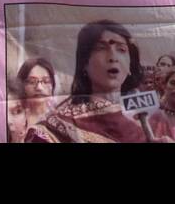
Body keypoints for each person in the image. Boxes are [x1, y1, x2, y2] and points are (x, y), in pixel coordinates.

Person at [27, 21, 158, 143]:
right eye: (101, 48)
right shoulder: (57, 126)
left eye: (121, 50)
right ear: (84, 62)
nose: (113, 57)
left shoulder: (155, 122)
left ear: (130, 64)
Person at [7, 58, 56, 143]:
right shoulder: (12, 121)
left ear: (53, 85)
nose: (39, 88)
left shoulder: (60, 121)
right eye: (32, 82)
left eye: (46, 81)